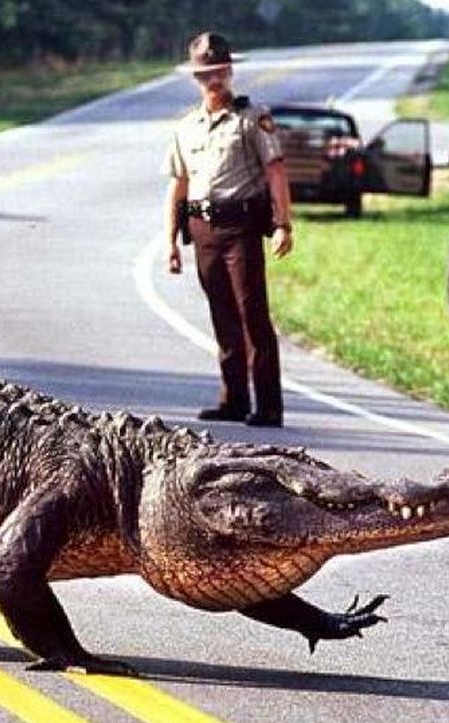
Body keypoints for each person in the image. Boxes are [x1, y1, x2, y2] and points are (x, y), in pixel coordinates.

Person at [163, 31, 293, 428]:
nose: (213, 80)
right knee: (222, 315)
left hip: (241, 228)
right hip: (203, 228)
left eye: (219, 72)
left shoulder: (252, 120)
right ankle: (233, 399)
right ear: (196, 78)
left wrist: (283, 223)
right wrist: (170, 239)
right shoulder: (186, 127)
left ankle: (268, 405)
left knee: (252, 312)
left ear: (230, 71)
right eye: (206, 74)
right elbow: (178, 184)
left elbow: (276, 172)